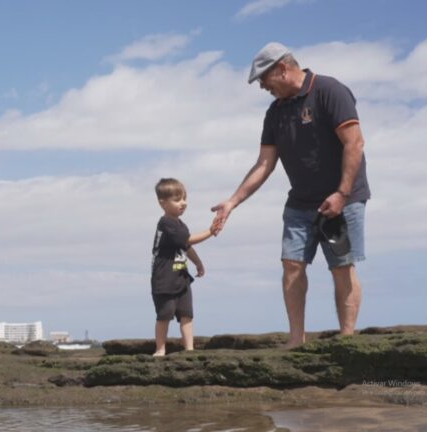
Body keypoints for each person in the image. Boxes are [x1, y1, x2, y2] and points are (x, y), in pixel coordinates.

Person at [211, 42, 371, 348]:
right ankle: (296, 341)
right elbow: (264, 164)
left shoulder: (329, 91)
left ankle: (347, 340)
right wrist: (232, 201)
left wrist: (342, 193)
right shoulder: (275, 112)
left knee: (341, 266)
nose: (262, 87)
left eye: (263, 80)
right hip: (300, 202)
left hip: (343, 198)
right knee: (291, 264)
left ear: (282, 69)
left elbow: (355, 144)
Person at [151, 178, 215, 356]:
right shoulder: (166, 223)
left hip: (181, 277)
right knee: (165, 314)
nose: (183, 203)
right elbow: (187, 240)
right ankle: (160, 348)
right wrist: (211, 232)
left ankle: (189, 349)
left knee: (186, 314)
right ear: (163, 203)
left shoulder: (179, 224)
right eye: (177, 199)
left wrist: (198, 262)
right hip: (164, 279)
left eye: (184, 198)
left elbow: (186, 247)